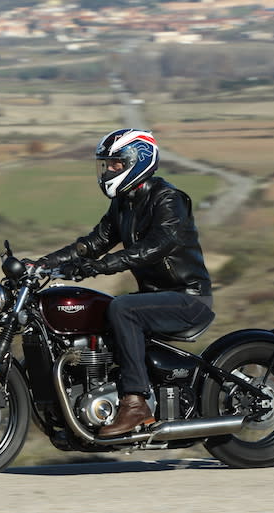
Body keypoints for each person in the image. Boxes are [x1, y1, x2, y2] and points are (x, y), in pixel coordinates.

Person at [37, 128, 213, 438]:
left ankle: (136, 405)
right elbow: (92, 242)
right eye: (106, 164)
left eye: (116, 163)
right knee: (101, 314)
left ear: (139, 160)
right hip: (154, 297)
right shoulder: (124, 204)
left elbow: (157, 245)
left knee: (122, 309)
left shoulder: (168, 199)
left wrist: (103, 266)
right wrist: (43, 263)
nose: (109, 170)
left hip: (188, 298)